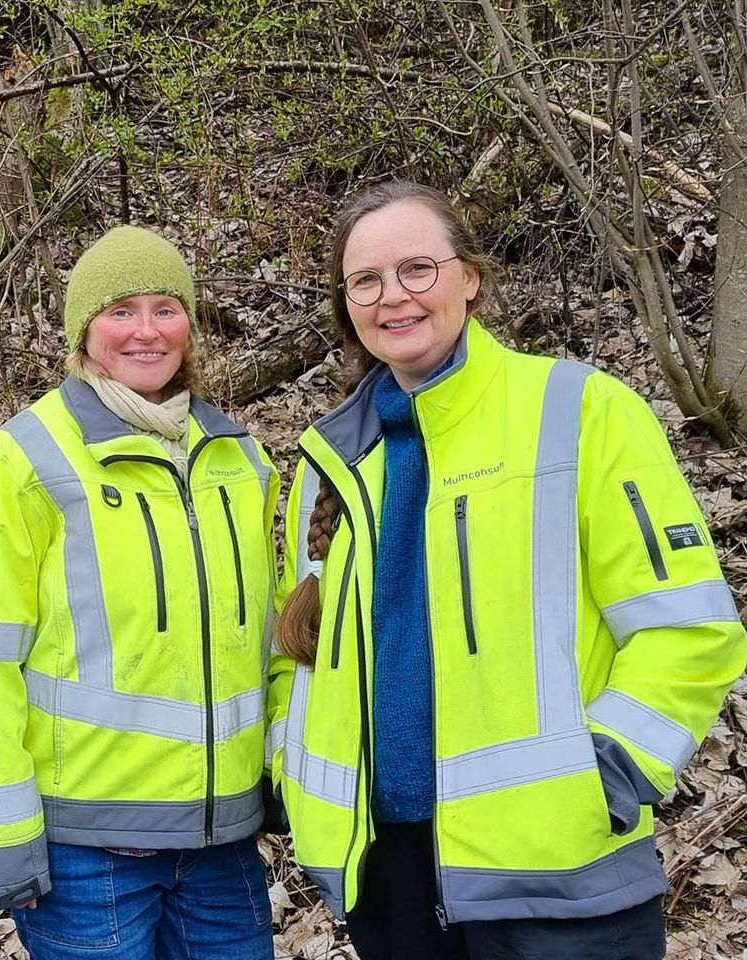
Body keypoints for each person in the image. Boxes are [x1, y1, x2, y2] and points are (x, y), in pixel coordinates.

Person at [270, 180, 747, 960]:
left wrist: (606, 774)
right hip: (386, 878)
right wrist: (297, 777)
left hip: (560, 874)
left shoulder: (580, 411)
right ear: (347, 303)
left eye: (418, 268)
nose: (394, 296)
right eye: (366, 280)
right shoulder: (330, 463)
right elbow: (307, 657)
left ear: (471, 277)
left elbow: (689, 629)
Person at [0, 225, 280, 960]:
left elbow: (270, 644)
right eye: (120, 310)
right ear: (83, 329)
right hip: (85, 851)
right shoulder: (22, 459)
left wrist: (281, 782)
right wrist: (3, 838)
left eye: (166, 308)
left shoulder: (242, 460)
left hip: (222, 844)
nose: (145, 331)